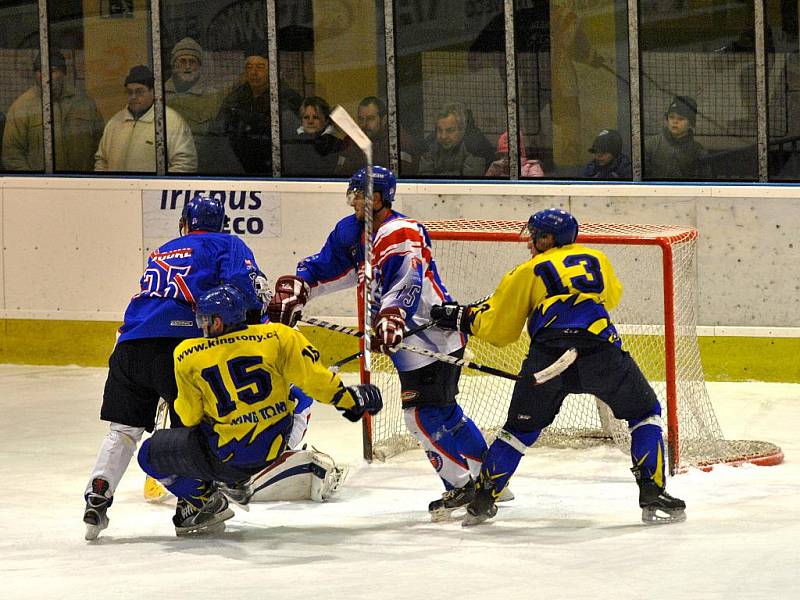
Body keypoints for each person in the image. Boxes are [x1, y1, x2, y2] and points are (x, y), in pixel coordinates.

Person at [431, 208, 686, 527]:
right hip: (600, 352)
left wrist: (461, 318)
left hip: (549, 359)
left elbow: (500, 330)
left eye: (535, 235)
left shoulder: (527, 271)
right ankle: (653, 492)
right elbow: (611, 296)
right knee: (644, 414)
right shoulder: (597, 259)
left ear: (548, 238)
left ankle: (482, 501)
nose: (529, 242)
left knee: (518, 432)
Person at [267, 165, 493, 522]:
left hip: (430, 336)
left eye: (359, 195)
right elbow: (327, 268)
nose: (353, 202)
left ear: (376, 198)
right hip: (409, 343)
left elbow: (408, 281)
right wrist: (299, 288)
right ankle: (488, 477)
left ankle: (469, 484)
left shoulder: (399, 231)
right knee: (443, 413)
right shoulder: (352, 232)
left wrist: (392, 316)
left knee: (420, 416)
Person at [82, 194, 264, 541]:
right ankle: (192, 505)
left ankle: (98, 494)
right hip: (179, 348)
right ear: (220, 224)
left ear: (184, 223)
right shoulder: (227, 243)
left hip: (129, 345)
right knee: (192, 426)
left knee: (122, 430)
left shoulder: (164, 249)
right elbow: (244, 289)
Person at [136, 284, 382, 536]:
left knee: (148, 454)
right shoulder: (278, 336)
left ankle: (206, 501)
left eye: (205, 320)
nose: (203, 326)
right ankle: (235, 481)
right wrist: (349, 399)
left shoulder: (187, 354)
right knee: (295, 395)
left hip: (226, 458)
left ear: (218, 322)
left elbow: (189, 417)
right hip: (273, 449)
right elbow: (313, 380)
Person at [2, 50, 103, 172]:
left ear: (63, 73)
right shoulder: (22, 107)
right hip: (41, 187)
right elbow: (12, 154)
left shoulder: (84, 103)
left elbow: (100, 146)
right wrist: (34, 183)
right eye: (40, 71)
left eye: (53, 71)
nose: (45, 76)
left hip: (82, 184)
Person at [94, 65, 197, 173]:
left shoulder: (170, 121)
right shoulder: (115, 122)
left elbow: (185, 164)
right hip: (118, 189)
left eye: (139, 91)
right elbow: (102, 160)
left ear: (153, 92)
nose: (133, 96)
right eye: (129, 92)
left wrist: (157, 187)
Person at [165, 37, 241, 174]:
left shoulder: (213, 97)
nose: (187, 66)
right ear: (174, 65)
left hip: (203, 170)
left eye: (192, 62)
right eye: (182, 61)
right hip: (167, 169)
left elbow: (219, 142)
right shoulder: (160, 96)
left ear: (199, 66)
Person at [335, 96, 420, 176]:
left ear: (384, 120)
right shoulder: (352, 141)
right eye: (361, 119)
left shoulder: (399, 142)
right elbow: (341, 175)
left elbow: (399, 182)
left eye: (370, 118)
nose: (364, 124)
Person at [218, 51, 272, 175]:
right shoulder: (234, 98)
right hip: (238, 165)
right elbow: (220, 128)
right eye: (249, 67)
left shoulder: (284, 96)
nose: (253, 72)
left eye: (260, 67)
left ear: (271, 71)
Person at [644, 95, 711, 180]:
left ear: (690, 123)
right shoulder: (650, 145)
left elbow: (704, 183)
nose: (675, 122)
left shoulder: (698, 151)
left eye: (681, 118)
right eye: (671, 117)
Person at [418, 103, 486, 177]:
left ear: (461, 130)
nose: (443, 136)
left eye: (450, 130)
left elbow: (469, 184)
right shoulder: (429, 146)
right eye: (440, 130)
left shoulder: (473, 147)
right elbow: (425, 181)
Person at [282, 95, 344, 176]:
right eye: (306, 117)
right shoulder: (292, 144)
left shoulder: (338, 145)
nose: (310, 121)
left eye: (315, 117)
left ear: (326, 121)